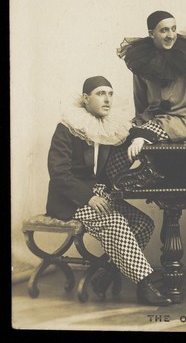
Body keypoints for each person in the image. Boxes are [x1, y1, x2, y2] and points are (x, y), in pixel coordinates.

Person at [46, 76, 172, 306]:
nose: (107, 99)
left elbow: (143, 132)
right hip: (72, 200)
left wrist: (140, 138)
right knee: (115, 223)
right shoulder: (67, 127)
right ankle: (145, 284)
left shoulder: (109, 127)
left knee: (144, 224)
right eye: (100, 93)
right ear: (85, 99)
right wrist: (88, 197)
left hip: (99, 196)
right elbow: (58, 173)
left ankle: (106, 275)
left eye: (111, 94)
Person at [112, 10, 186, 184]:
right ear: (151, 34)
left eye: (173, 29)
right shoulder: (141, 60)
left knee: (140, 137)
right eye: (164, 31)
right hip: (154, 121)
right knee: (119, 144)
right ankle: (106, 188)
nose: (171, 35)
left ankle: (143, 135)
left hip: (183, 121)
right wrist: (138, 126)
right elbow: (140, 100)